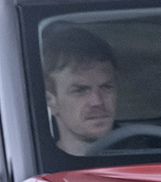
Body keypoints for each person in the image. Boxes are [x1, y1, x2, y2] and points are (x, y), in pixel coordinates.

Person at [42, 25, 117, 155]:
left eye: (106, 87)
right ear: (51, 101)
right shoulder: (41, 167)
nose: (97, 101)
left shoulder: (148, 154)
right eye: (80, 90)